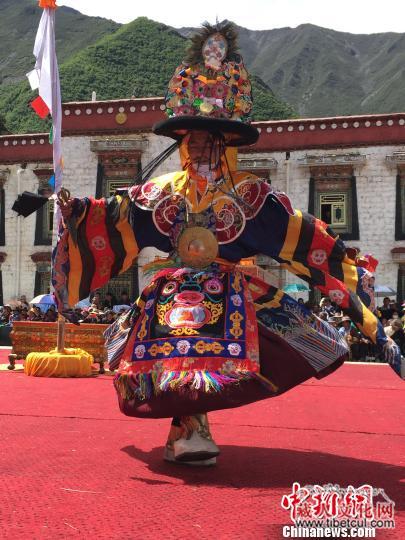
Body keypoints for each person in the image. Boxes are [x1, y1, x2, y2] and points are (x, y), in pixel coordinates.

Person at [53, 22, 402, 466]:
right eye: (192, 139)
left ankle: (192, 426)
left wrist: (347, 267)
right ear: (182, 144)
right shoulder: (163, 191)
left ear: (225, 145)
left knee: (247, 343)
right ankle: (189, 426)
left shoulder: (252, 196)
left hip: (231, 289)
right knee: (177, 347)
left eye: (208, 139)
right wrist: (73, 209)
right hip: (174, 290)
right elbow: (117, 214)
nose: (199, 146)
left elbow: (299, 235)